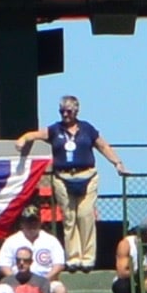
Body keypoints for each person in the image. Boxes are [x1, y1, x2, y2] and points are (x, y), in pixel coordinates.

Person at [43, 97, 107, 266]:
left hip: (87, 176)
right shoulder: (54, 129)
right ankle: (73, 257)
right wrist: (23, 139)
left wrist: (118, 164)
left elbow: (103, 146)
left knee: (85, 215)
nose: (65, 114)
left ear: (76, 111)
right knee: (69, 218)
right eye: (62, 111)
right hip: (62, 178)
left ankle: (87, 258)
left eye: (68, 111)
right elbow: (35, 134)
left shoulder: (87, 129)